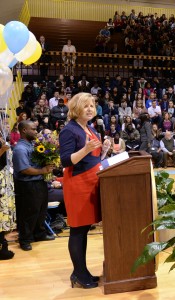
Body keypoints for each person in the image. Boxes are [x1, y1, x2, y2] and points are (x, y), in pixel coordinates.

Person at [59, 93, 111, 289]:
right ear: (75, 108)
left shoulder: (89, 128)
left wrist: (104, 150)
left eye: (92, 105)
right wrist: (86, 149)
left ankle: (82, 271)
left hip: (91, 180)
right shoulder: (69, 130)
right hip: (78, 184)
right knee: (77, 229)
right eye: (85, 106)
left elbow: (93, 158)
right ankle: (79, 274)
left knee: (84, 229)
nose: (90, 109)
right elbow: (65, 160)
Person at [13, 121, 55, 251]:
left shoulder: (33, 144)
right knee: (29, 212)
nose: (36, 131)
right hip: (27, 185)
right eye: (33, 129)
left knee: (41, 210)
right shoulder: (20, 149)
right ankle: (25, 239)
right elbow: (24, 169)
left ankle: (39, 233)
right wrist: (43, 171)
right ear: (24, 130)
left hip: (39, 182)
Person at [0, 138, 15, 260]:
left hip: (5, 180)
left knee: (3, 214)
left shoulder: (2, 136)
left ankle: (2, 243)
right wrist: (2, 150)